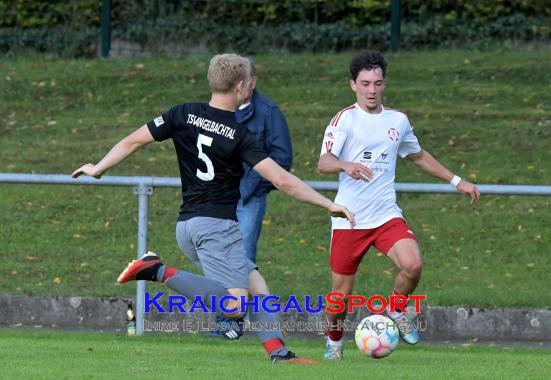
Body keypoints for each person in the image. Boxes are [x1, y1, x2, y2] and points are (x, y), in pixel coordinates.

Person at [72, 53, 355, 364]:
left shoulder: (182, 113)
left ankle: (280, 354)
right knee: (234, 305)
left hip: (188, 226)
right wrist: (329, 203)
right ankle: (156, 269)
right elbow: (283, 181)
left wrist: (98, 168)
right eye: (250, 84)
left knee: (257, 286)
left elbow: (131, 142)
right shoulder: (238, 133)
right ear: (242, 86)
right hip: (217, 227)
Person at [317, 50, 480, 360]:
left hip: (385, 214)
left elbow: (417, 155)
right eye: (365, 83)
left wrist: (457, 181)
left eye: (377, 83)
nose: (372, 90)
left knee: (413, 264)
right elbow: (323, 162)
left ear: (384, 84)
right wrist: (345, 165)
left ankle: (396, 306)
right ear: (353, 85)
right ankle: (334, 342)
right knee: (340, 296)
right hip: (349, 219)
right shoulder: (344, 120)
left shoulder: (398, 120)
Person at [210, 58, 293, 339]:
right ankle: (228, 319)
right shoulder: (217, 109)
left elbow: (283, 158)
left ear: (251, 82)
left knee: (242, 257)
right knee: (218, 257)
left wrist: (253, 186)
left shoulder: (269, 112)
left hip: (248, 200)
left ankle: (232, 323)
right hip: (217, 198)